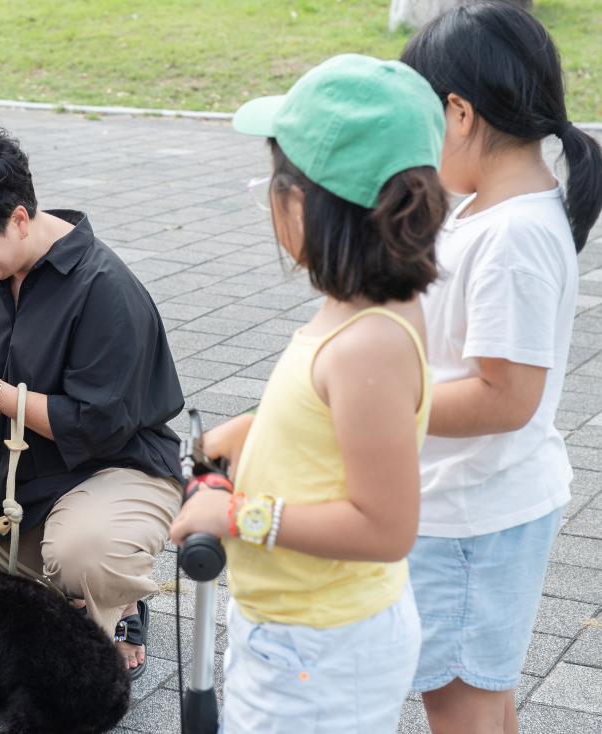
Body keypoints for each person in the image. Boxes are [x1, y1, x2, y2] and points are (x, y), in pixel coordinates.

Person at [170, 54, 449, 732]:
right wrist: (255, 430)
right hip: (301, 631)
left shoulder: (368, 343)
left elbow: (387, 527)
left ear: (307, 204)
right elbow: (336, 424)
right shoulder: (361, 313)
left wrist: (236, 517)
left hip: (319, 653)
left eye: (273, 181)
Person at [0, 119, 184, 678]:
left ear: (20, 219)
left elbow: (98, 423)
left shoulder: (105, 288)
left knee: (85, 556)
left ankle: (118, 602)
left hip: (108, 469)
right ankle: (67, 598)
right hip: (11, 486)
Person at [398, 4, 602, 732]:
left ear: (458, 112)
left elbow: (507, 397)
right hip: (467, 503)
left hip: (473, 515)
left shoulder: (514, 233)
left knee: (463, 709)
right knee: (481, 699)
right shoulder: (487, 208)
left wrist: (380, 406)